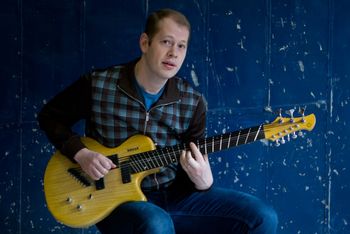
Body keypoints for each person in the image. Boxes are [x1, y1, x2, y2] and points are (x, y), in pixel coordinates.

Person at [38, 8, 278, 234]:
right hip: (112, 200)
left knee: (262, 217)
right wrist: (81, 154)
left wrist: (203, 182)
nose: (174, 53)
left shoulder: (192, 103)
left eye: (181, 46)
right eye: (166, 42)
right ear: (145, 42)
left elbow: (191, 165)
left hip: (173, 197)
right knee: (156, 223)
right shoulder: (99, 84)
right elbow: (50, 117)